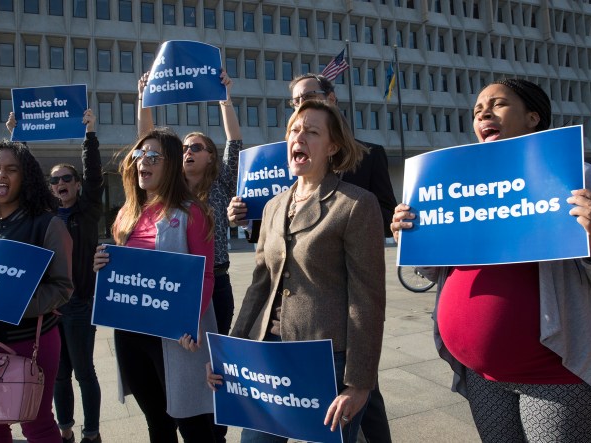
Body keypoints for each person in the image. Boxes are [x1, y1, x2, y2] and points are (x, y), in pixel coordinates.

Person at [391, 78, 591, 441]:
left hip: (553, 376)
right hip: (482, 377)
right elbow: (434, 273)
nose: (483, 114)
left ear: (533, 118)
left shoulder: (576, 175)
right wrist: (413, 239)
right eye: (477, 110)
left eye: (497, 104)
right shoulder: (455, 185)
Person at [227, 72, 395, 443]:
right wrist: (232, 351)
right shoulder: (273, 206)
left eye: (311, 132)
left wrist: (359, 383)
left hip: (328, 358)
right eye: (293, 130)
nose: (298, 137)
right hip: (270, 354)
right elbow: (259, 286)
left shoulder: (356, 203)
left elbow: (367, 300)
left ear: (332, 146)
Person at [92, 128, 219, 442]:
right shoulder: (127, 213)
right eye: (139, 154)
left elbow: (205, 275)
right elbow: (123, 271)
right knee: (157, 422)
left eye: (153, 156)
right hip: (131, 334)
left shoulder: (192, 212)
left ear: (172, 164)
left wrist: (190, 322)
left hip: (175, 336)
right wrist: (102, 265)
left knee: (193, 423)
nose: (142, 161)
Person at [0, 140, 73, 443]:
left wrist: (8, 309)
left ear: (26, 178)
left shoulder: (48, 225)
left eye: (11, 169)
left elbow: (62, 288)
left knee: (36, 424)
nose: (1, 175)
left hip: (29, 343)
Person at [8, 109, 104, 443]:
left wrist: (90, 134)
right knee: (59, 375)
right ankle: (65, 431)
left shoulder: (87, 211)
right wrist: (18, 138)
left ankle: (91, 433)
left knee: (84, 372)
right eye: (55, 180)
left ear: (77, 184)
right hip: (50, 307)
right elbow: (26, 176)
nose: (60, 183)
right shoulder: (44, 215)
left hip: (79, 304)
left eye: (66, 178)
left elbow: (94, 174)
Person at [138, 70, 242, 335]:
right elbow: (147, 145)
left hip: (217, 280)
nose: (188, 152)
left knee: (214, 349)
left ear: (211, 156)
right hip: (177, 279)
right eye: (185, 148)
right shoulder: (171, 186)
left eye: (196, 148)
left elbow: (234, 142)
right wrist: (144, 100)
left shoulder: (222, 183)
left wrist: (225, 100)